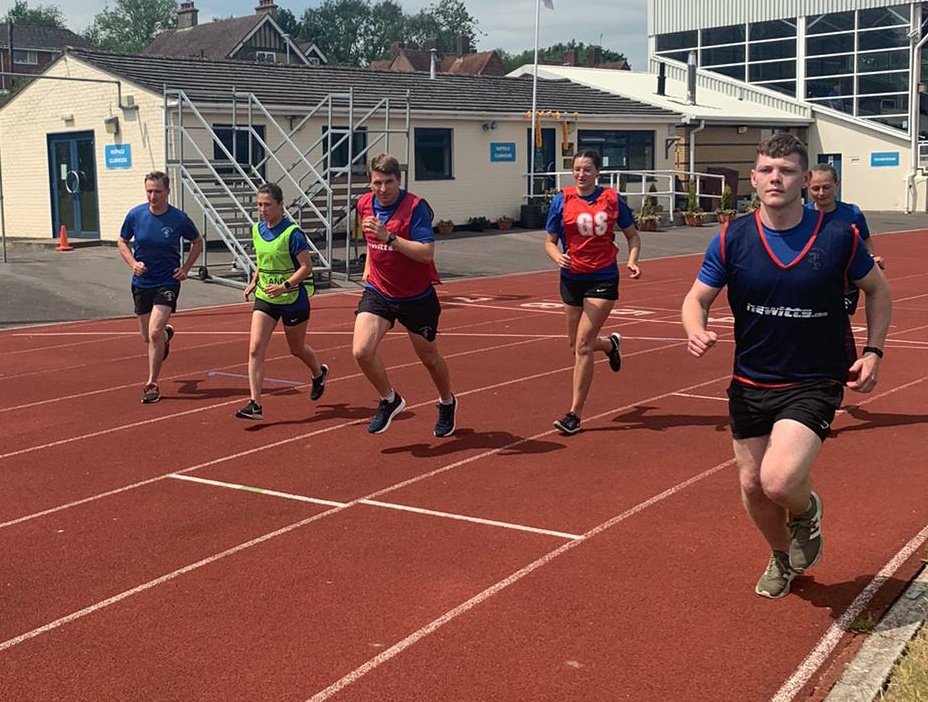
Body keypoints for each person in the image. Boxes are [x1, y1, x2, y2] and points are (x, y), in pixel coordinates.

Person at [681, 134, 892, 599]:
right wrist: (695, 327)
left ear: (804, 181)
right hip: (751, 380)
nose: (776, 177)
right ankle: (781, 555)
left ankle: (805, 512)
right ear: (754, 179)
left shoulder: (839, 236)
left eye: (788, 170)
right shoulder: (731, 237)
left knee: (779, 480)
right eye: (767, 170)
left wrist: (873, 350)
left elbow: (878, 290)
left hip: (815, 378)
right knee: (753, 487)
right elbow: (696, 299)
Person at [353, 153, 457, 436]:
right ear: (370, 182)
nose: (383, 189)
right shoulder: (364, 204)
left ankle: (447, 402)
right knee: (361, 350)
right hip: (380, 291)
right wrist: (368, 265)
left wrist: (390, 238)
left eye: (389, 182)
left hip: (415, 296)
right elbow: (370, 241)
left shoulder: (415, 208)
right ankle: (389, 399)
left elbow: (426, 254)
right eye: (377, 183)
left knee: (429, 358)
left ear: (399, 180)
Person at [544, 150, 641, 435]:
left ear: (597, 171)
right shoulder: (561, 200)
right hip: (571, 277)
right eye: (576, 169)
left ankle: (574, 413)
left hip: (603, 277)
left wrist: (632, 260)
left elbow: (632, 235)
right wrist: (556, 256)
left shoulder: (611, 199)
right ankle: (610, 345)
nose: (581, 174)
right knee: (575, 345)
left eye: (587, 169)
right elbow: (549, 241)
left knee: (584, 345)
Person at [235, 183, 328, 420]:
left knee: (296, 348)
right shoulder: (257, 230)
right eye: (259, 205)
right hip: (266, 297)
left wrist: (285, 285)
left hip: (292, 298)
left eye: (267, 205)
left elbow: (307, 267)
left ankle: (318, 373)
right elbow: (262, 260)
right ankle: (255, 403)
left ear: (280, 205)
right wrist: (254, 280)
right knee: (255, 348)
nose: (262, 209)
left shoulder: (292, 234)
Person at [117, 171, 203, 404]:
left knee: (153, 332)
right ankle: (166, 336)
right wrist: (133, 263)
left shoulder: (178, 218)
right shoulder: (135, 215)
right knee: (147, 336)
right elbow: (122, 241)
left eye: (157, 191)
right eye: (149, 191)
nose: (152, 196)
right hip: (142, 282)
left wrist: (185, 268)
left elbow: (197, 242)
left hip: (167, 281)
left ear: (167, 191)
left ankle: (152, 383)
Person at [806, 163, 885, 315]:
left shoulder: (852, 213)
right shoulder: (802, 214)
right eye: (815, 188)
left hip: (845, 281)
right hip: (813, 278)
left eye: (826, 187)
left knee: (841, 321)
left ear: (837, 184)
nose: (821, 193)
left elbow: (865, 240)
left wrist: (872, 258)